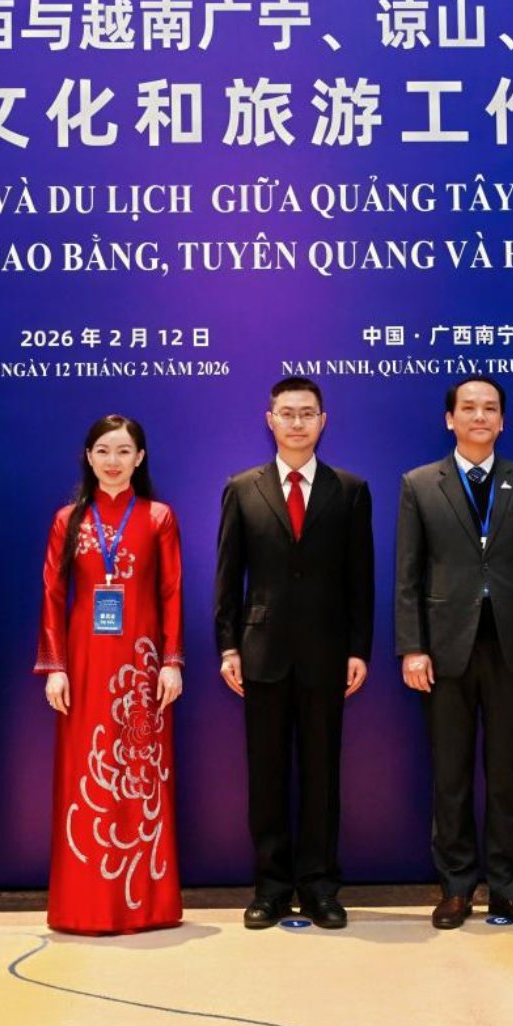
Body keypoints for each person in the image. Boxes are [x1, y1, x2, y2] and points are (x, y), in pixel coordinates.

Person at [395, 376, 513, 930]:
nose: (479, 416)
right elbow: (408, 576)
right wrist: (412, 647)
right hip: (445, 649)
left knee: (507, 774)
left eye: (490, 408)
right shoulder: (421, 483)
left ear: (502, 421)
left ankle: (510, 887)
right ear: (450, 419)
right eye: (468, 408)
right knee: (451, 774)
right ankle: (456, 886)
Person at [215, 377, 374, 930]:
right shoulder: (243, 488)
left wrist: (359, 649)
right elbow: (228, 575)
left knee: (322, 777)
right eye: (288, 413)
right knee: (267, 778)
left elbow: (361, 579)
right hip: (260, 653)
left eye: (308, 413)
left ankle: (320, 887)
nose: (298, 422)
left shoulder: (349, 489)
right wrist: (228, 645)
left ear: (323, 421)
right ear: (271, 420)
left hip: (327, 654)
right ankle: (271, 888)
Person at [35, 414, 184, 935]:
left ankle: (147, 906)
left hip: (142, 663)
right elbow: (52, 596)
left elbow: (172, 592)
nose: (113, 461)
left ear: (140, 458)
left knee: (140, 775)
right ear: (88, 457)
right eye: (103, 451)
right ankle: (84, 905)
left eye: (123, 451)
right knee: (86, 774)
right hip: (83, 664)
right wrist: (54, 668)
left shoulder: (158, 517)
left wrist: (171, 661)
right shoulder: (68, 520)